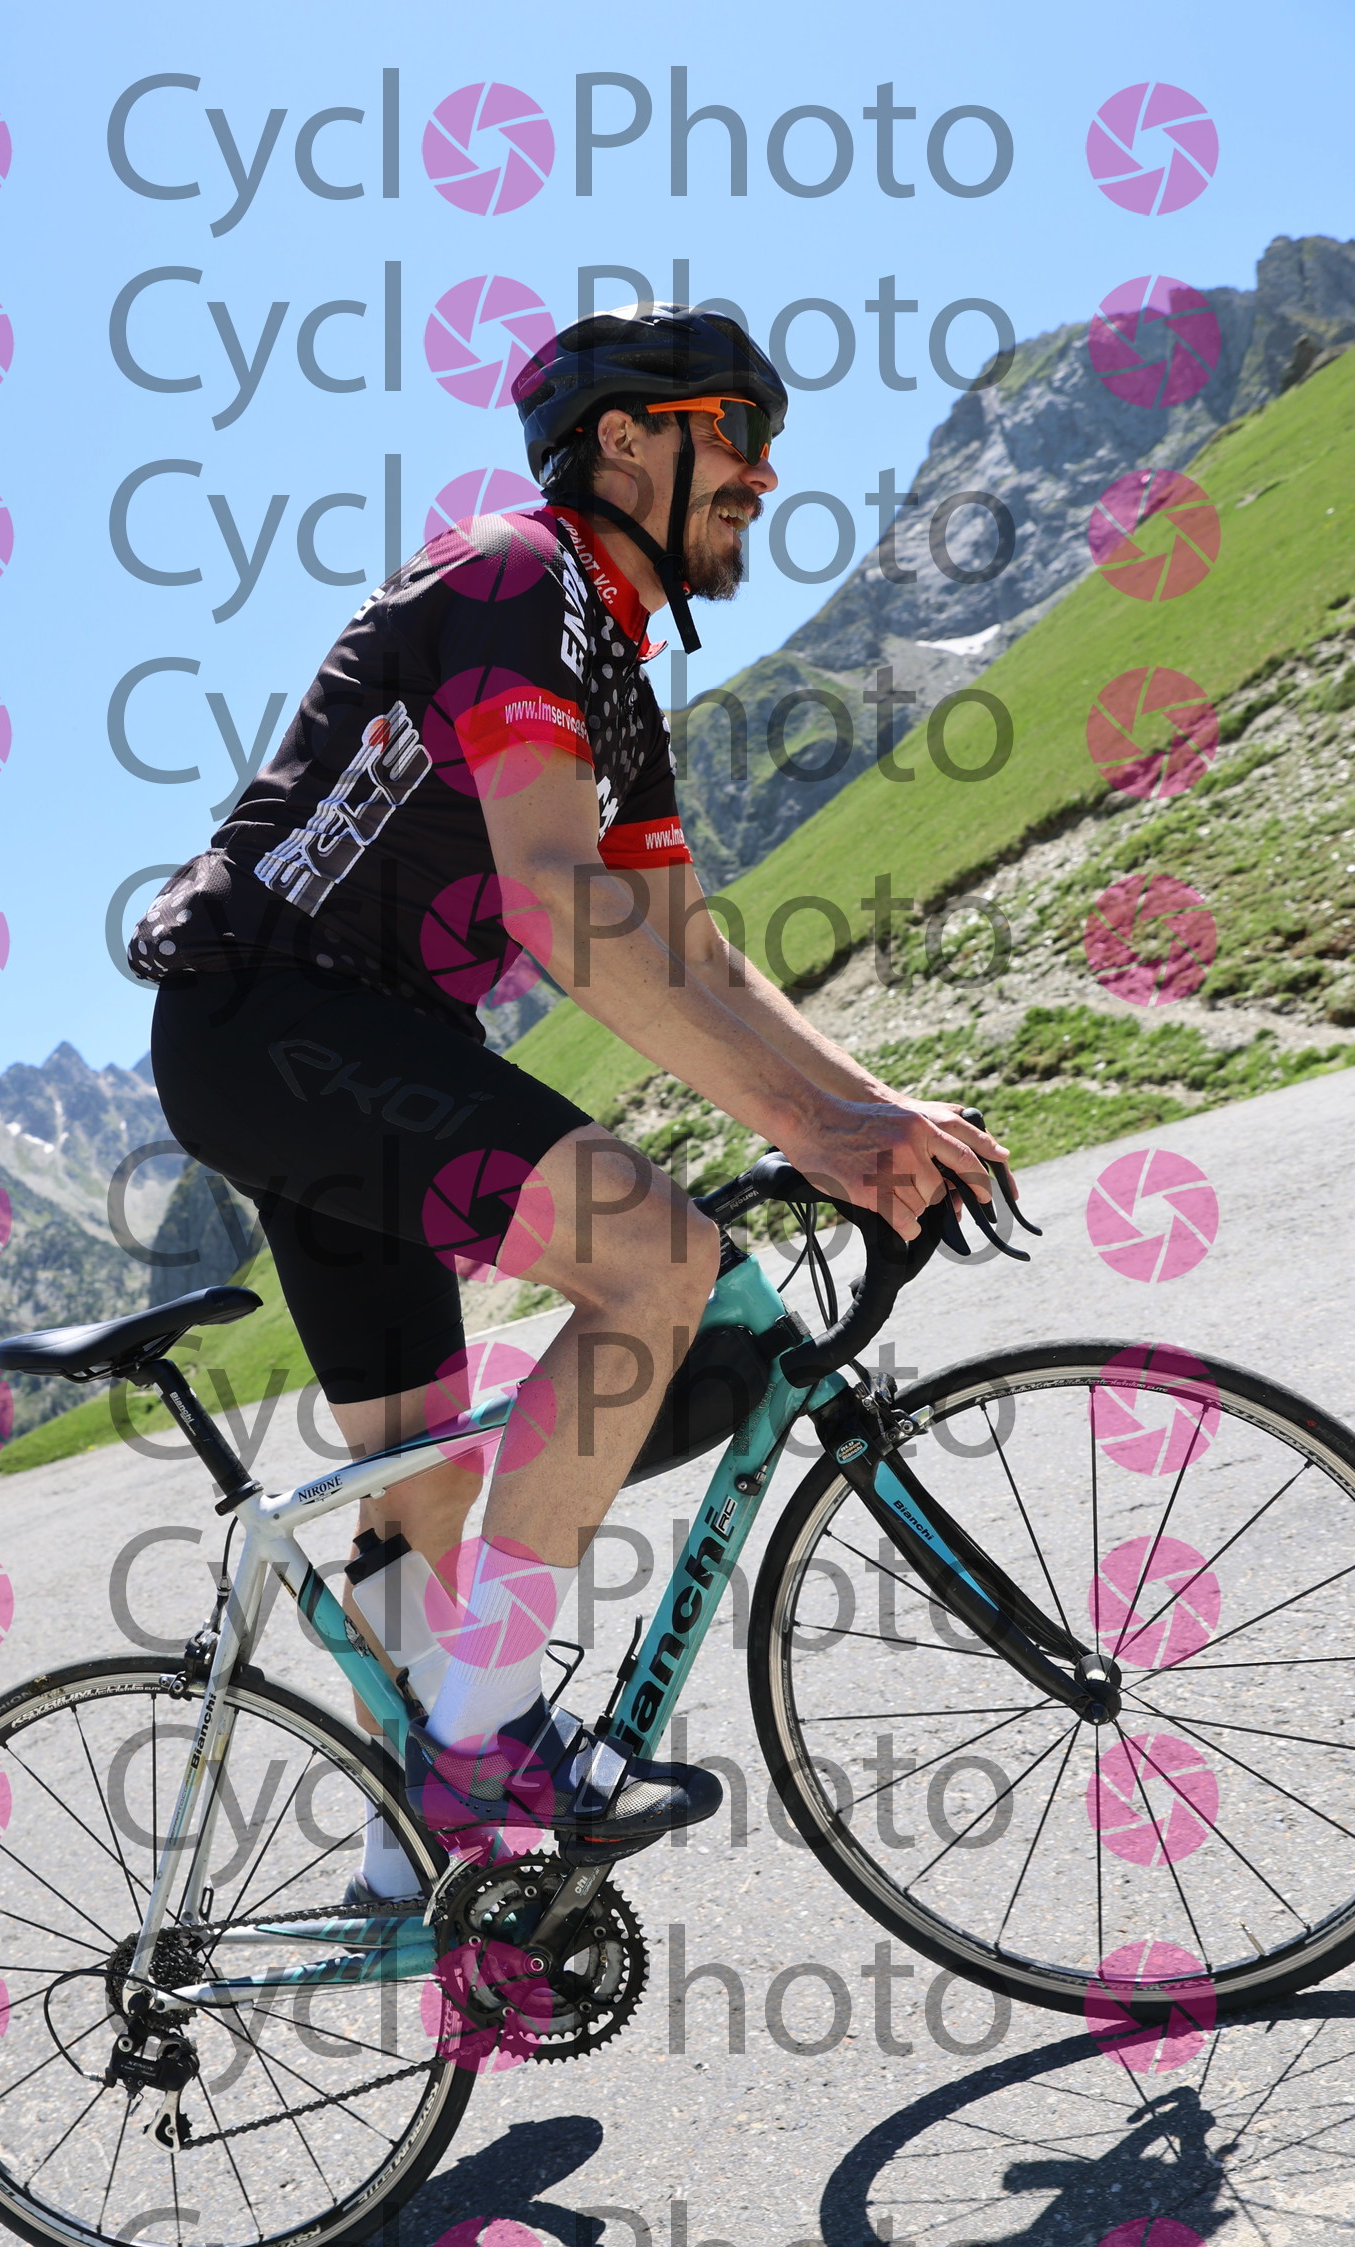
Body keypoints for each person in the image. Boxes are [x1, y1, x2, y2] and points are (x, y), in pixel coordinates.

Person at [130, 304, 1008, 1896]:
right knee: (658, 1264)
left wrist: (875, 1115)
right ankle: (487, 1750)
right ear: (623, 440)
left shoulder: (614, 678)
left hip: (341, 1044)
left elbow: (691, 953)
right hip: (278, 1019)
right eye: (735, 431)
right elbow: (554, 901)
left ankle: (432, 1891)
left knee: (422, 1483)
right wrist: (813, 1134)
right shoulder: (512, 578)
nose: (764, 472)